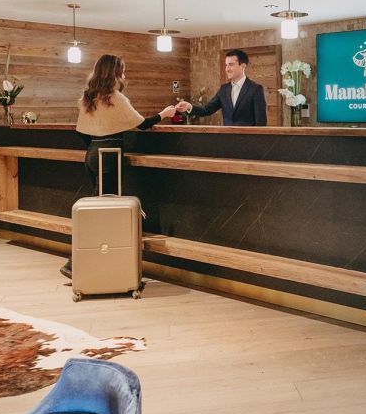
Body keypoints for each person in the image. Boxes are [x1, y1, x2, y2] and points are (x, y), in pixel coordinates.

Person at [60, 54, 176, 278]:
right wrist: (164, 114)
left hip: (93, 155)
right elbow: (142, 124)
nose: (124, 75)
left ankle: (89, 261)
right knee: (101, 212)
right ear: (114, 73)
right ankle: (74, 264)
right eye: (122, 71)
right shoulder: (115, 98)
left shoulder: (89, 97)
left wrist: (96, 144)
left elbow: (81, 131)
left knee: (97, 208)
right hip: (109, 156)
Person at [176, 49, 267, 126]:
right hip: (227, 142)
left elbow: (261, 123)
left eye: (230, 64)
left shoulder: (255, 89)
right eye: (226, 65)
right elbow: (207, 110)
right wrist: (189, 106)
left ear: (243, 66)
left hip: (248, 144)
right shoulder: (224, 89)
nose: (227, 69)